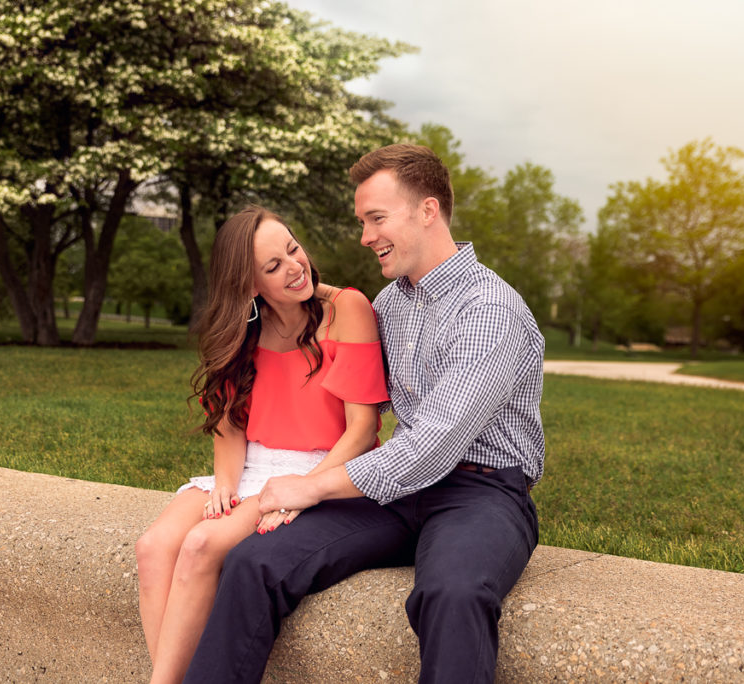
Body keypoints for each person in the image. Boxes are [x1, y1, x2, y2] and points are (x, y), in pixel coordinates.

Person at [184, 144, 545, 684]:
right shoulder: (391, 304)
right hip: (396, 492)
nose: (364, 236)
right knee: (253, 562)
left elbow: (435, 445)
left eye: (376, 218)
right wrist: (265, 287)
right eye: (361, 221)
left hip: (482, 492)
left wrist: (311, 487)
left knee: (452, 592)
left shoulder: (489, 310)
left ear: (427, 210)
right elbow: (324, 303)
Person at [135, 205, 389, 684]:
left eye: (292, 248)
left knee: (201, 545)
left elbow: (361, 431)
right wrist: (225, 487)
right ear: (250, 286)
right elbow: (230, 426)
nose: (295, 267)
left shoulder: (346, 308)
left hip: (319, 469)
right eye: (273, 267)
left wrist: (304, 490)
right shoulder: (243, 329)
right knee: (153, 547)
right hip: (251, 466)